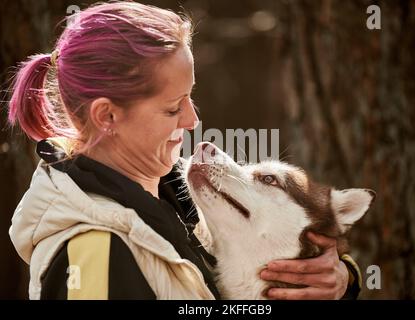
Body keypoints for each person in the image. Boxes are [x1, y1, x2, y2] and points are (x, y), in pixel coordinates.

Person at [7, 1, 361, 300]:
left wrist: (338, 279)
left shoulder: (174, 197)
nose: (192, 120)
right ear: (107, 116)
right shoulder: (94, 254)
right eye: (173, 107)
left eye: (190, 97)